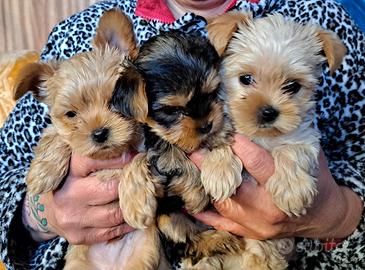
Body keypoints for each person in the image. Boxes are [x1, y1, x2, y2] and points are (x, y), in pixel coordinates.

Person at [0, 0, 364, 269]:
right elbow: (8, 166)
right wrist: (40, 214)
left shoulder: (320, 17)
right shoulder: (74, 34)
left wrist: (338, 214)